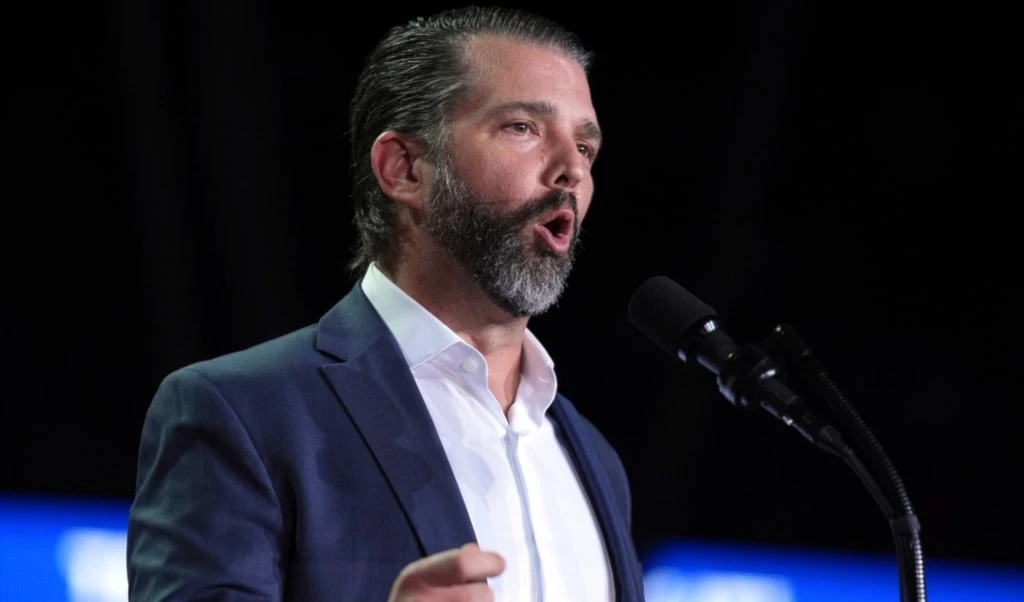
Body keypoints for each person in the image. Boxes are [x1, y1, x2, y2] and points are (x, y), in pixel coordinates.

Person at [126, 5, 645, 601]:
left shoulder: (594, 460)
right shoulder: (241, 412)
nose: (571, 171)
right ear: (404, 169)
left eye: (586, 147)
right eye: (523, 127)